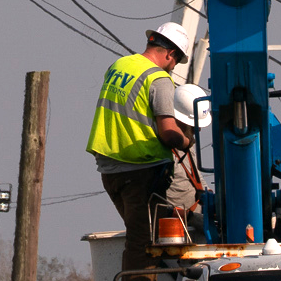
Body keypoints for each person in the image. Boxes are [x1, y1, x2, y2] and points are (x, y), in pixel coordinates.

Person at [87, 22, 194, 274]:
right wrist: (187, 141)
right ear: (170, 54)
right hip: (141, 172)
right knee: (143, 243)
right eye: (176, 61)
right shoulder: (159, 78)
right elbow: (168, 132)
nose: (174, 66)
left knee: (143, 234)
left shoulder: (119, 66)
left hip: (110, 170)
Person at [163, 83, 211, 235]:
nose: (198, 130)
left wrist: (210, 197)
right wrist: (190, 217)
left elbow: (195, 176)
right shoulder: (161, 151)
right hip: (173, 231)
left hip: (196, 224)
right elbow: (153, 202)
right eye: (193, 125)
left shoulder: (186, 142)